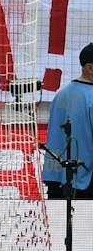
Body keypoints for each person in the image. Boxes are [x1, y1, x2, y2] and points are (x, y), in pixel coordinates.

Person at [43, 44, 93, 197]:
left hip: (56, 177)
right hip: (85, 181)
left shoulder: (61, 94)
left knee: (60, 221)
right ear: (90, 68)